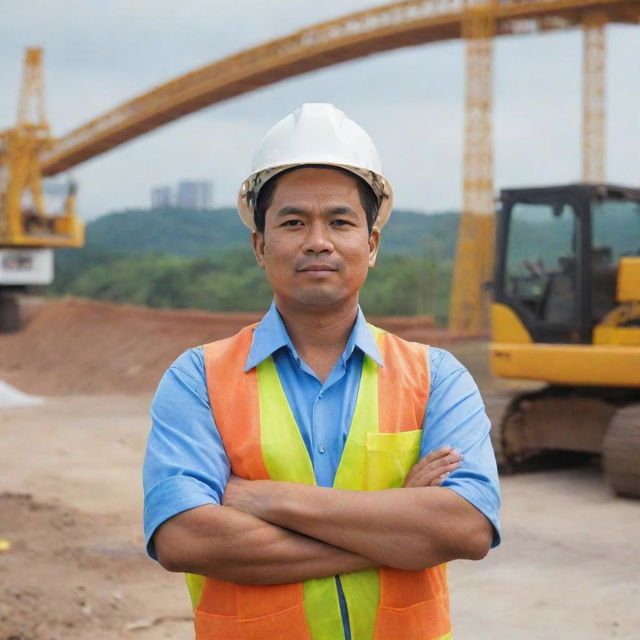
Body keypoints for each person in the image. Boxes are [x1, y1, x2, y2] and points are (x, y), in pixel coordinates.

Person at [143, 103, 501, 640]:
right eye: (293, 222)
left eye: (340, 220)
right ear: (260, 246)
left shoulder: (436, 377)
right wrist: (396, 523)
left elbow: (467, 528)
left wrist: (269, 499)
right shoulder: (198, 378)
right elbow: (185, 540)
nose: (318, 240)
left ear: (372, 244)